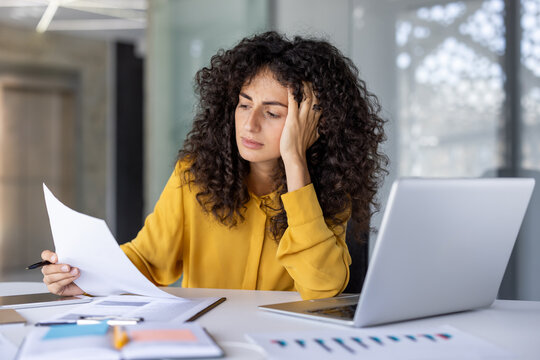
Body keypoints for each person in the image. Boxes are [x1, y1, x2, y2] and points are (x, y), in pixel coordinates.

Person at [40, 31, 387, 300]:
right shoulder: (196, 175)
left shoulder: (328, 191)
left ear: (312, 124)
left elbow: (322, 287)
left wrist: (296, 161)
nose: (249, 125)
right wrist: (84, 278)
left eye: (272, 112)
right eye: (244, 105)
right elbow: (147, 261)